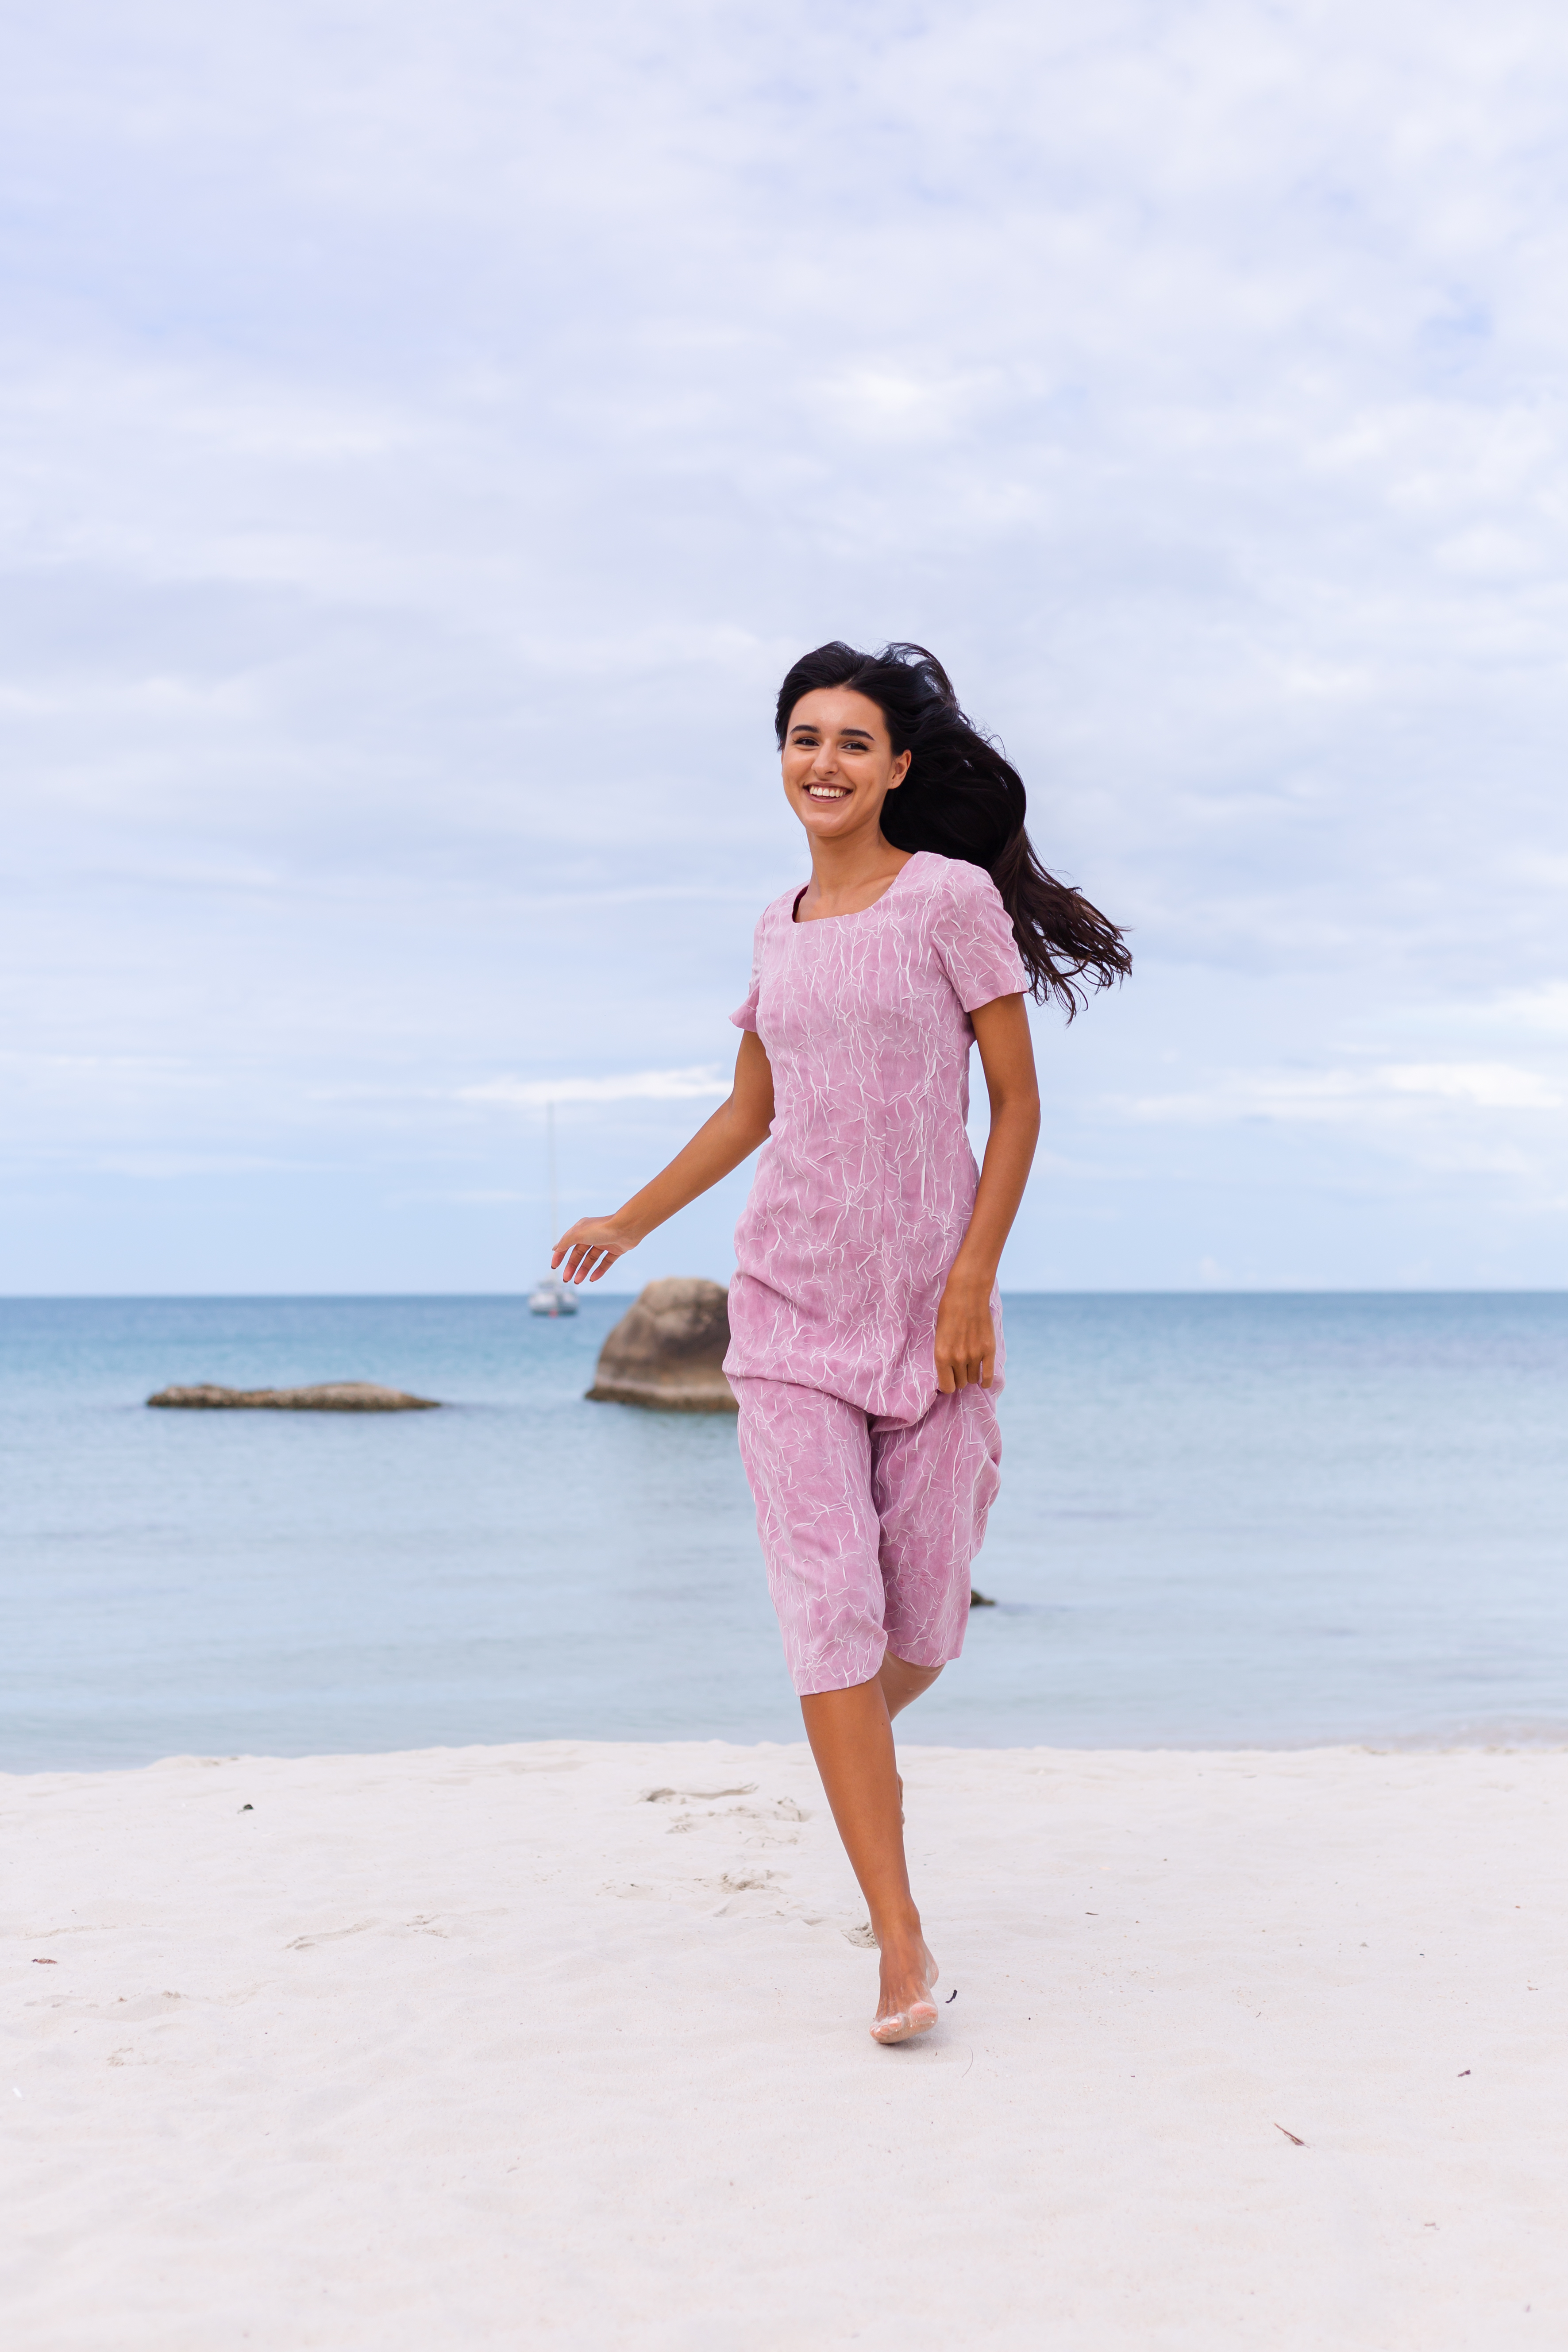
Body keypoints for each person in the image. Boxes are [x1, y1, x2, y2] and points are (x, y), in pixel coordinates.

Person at [554, 641, 1129, 2044]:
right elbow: (751, 1112)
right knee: (828, 1621)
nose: (824, 761)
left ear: (899, 769)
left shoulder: (947, 902)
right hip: (789, 1316)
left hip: (934, 1324)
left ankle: (851, 1751)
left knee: (917, 1629)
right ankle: (902, 1939)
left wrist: (973, 1277)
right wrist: (630, 1216)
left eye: (852, 742)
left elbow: (1018, 1103)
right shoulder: (779, 925)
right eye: (802, 738)